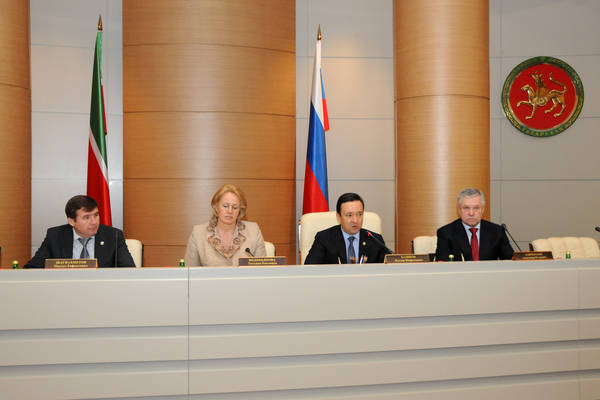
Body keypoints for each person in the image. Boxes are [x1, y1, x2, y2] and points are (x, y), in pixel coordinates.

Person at [25, 195, 135, 268]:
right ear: (72, 221)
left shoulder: (113, 236)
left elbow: (129, 271)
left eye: (96, 215)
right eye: (86, 217)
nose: (94, 222)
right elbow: (32, 269)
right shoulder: (55, 236)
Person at [184, 184, 266, 266]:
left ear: (240, 210)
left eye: (235, 207)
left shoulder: (253, 231)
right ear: (216, 206)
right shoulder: (198, 233)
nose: (230, 211)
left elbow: (263, 269)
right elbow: (189, 271)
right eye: (225, 206)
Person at [304, 192, 390, 264]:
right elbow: (310, 269)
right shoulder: (324, 239)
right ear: (338, 217)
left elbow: (387, 270)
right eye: (349, 215)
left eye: (359, 214)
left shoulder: (375, 240)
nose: (355, 220)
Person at [435, 188, 514, 261]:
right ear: (459, 210)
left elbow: (510, 261)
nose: (471, 213)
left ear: (482, 209)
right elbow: (442, 265)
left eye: (476, 208)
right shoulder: (446, 233)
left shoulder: (497, 231)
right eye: (466, 208)